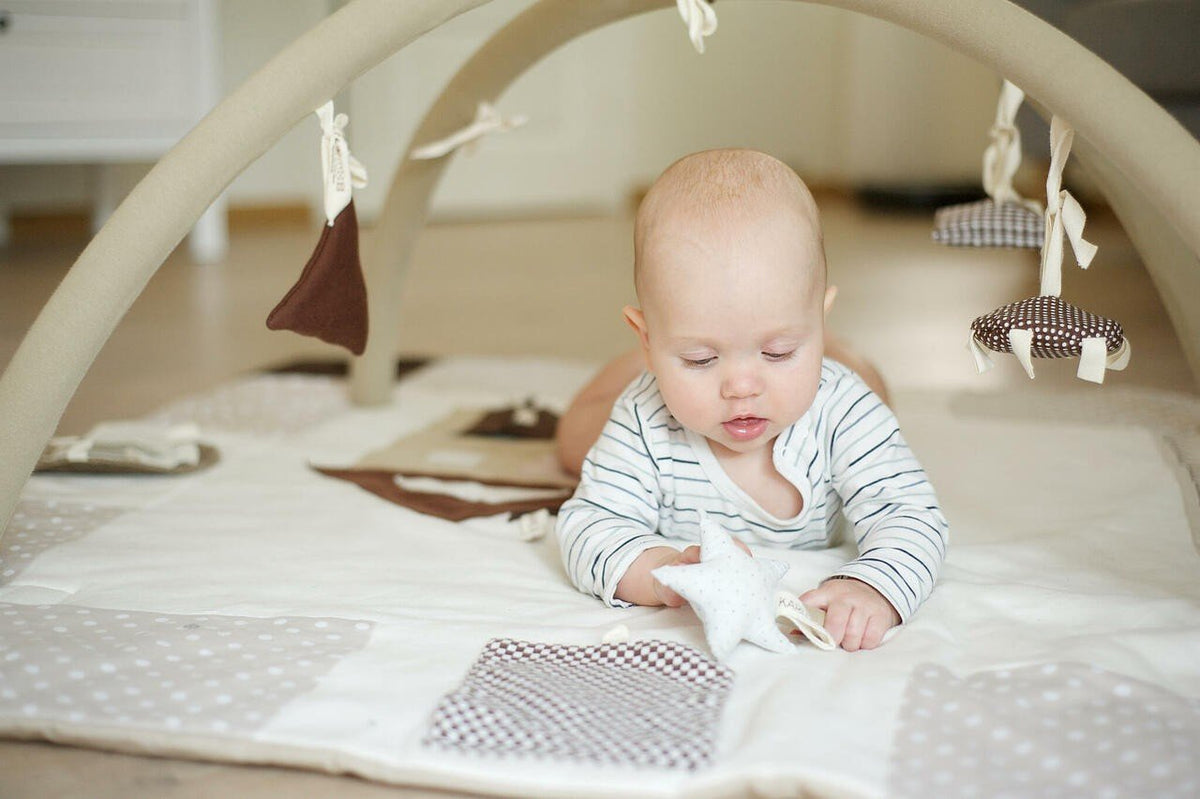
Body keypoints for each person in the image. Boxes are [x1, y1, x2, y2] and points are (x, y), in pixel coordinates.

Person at [553, 149, 947, 652]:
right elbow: (589, 523)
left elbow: (910, 515)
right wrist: (659, 570)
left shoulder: (844, 411)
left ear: (819, 320)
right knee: (574, 442)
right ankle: (674, 357)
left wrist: (875, 585)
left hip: (835, 375)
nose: (741, 387)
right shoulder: (643, 417)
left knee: (869, 387)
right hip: (648, 376)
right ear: (647, 339)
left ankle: (822, 350)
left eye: (777, 352)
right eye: (700, 358)